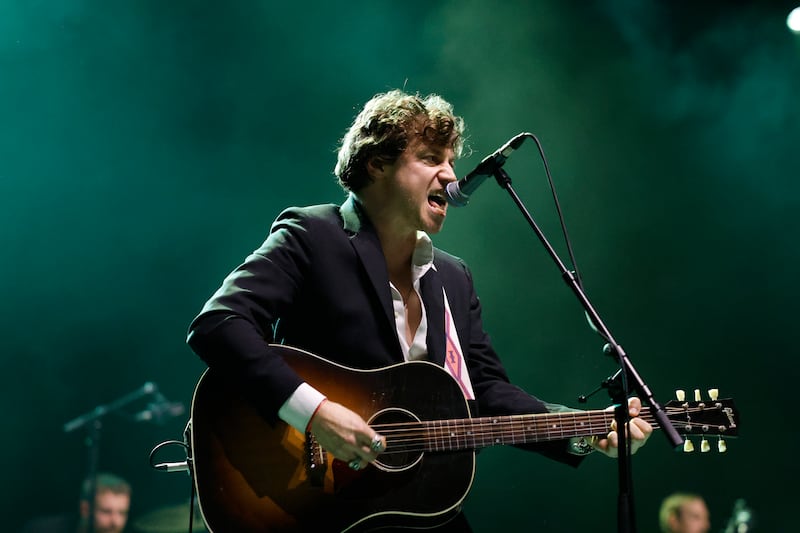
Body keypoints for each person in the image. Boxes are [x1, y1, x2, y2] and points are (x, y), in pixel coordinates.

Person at [186, 89, 652, 531]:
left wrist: (581, 428)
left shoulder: (452, 275)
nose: (450, 175)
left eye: (451, 161)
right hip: (315, 503)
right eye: (430, 159)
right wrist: (316, 413)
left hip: (412, 503)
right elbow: (219, 325)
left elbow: (486, 391)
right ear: (377, 165)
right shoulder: (312, 235)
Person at [20, 472, 131, 533]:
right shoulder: (42, 530)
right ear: (85, 509)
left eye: (122, 513)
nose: (116, 522)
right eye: (106, 511)